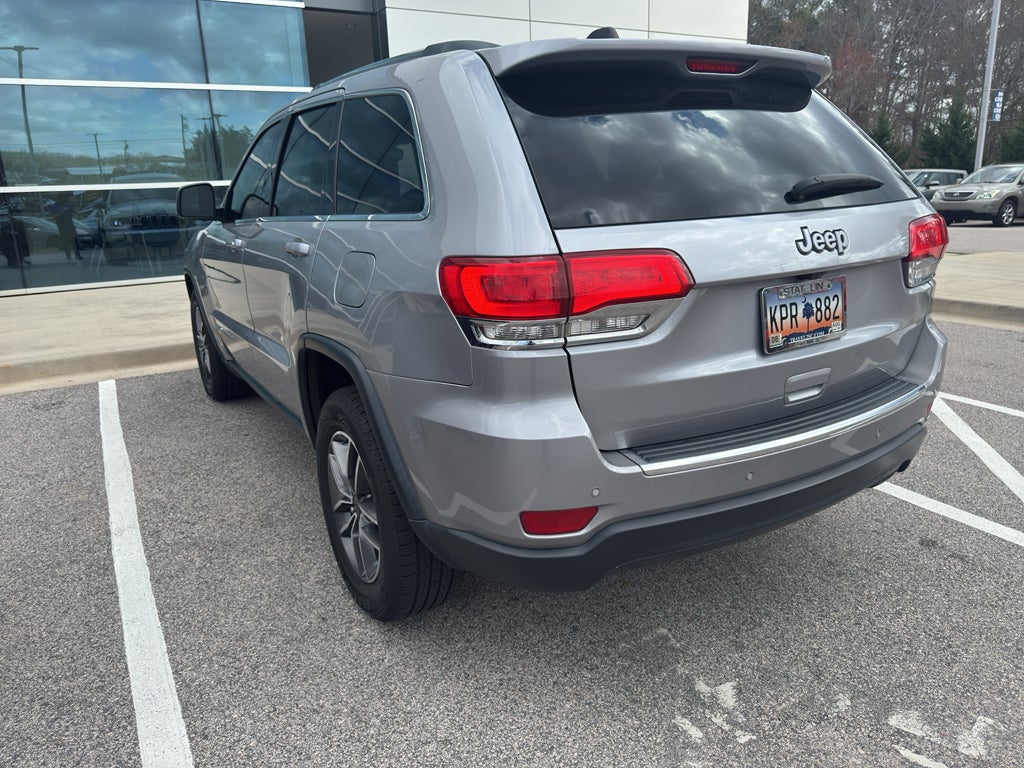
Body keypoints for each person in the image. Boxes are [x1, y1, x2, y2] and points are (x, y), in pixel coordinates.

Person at [50, 193, 81, 260]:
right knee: (65, 241)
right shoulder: (54, 206)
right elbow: (53, 217)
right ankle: (68, 255)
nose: (63, 200)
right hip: (62, 226)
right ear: (58, 199)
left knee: (74, 241)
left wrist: (75, 208)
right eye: (62, 199)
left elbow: (75, 212)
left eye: (64, 199)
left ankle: (77, 255)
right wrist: (62, 211)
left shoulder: (67, 205)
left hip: (70, 225)